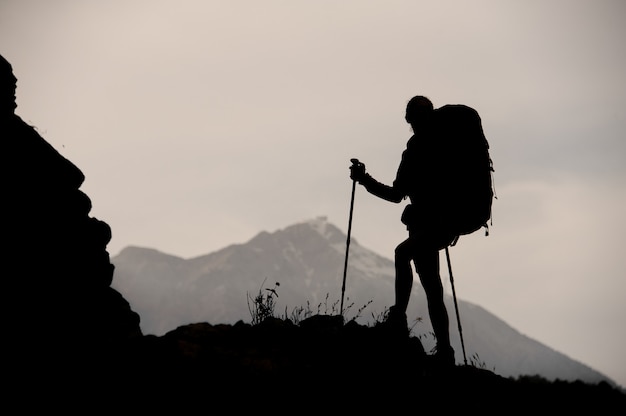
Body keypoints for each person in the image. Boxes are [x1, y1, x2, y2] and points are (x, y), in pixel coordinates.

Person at [349, 95, 456, 367]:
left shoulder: (416, 151)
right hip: (435, 225)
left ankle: (399, 317)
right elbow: (399, 195)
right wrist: (365, 180)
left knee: (402, 255)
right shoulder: (444, 147)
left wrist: (364, 180)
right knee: (432, 287)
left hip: (429, 225)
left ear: (410, 119)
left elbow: (396, 194)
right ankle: (445, 352)